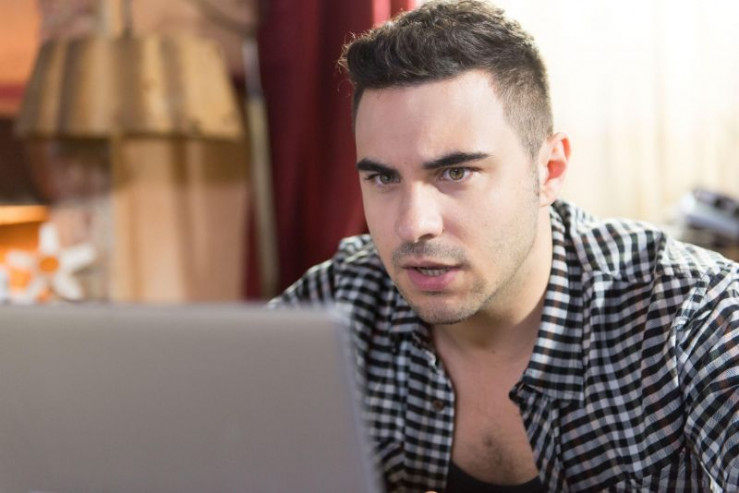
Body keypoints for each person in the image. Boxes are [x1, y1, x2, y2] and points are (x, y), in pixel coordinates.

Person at [269, 1, 739, 491]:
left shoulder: (693, 314)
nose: (413, 225)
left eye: (456, 172)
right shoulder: (336, 304)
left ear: (549, 171)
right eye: (384, 178)